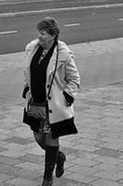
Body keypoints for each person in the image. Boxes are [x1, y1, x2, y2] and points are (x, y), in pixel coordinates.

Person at [22, 16, 80, 186]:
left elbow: (74, 78)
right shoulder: (32, 49)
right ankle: (59, 157)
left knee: (51, 137)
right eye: (38, 33)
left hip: (53, 104)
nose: (39, 37)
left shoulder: (63, 53)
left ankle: (47, 177)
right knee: (39, 137)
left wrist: (67, 97)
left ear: (53, 35)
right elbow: (27, 72)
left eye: (43, 33)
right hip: (35, 102)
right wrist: (27, 89)